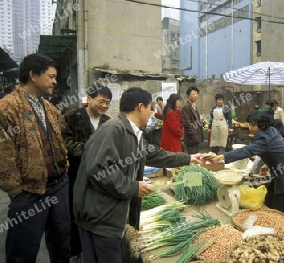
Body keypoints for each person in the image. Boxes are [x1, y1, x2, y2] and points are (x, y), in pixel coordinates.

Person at [73, 87, 204, 263]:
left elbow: (156, 154)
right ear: (140, 107)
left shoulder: (134, 133)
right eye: (150, 108)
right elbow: (99, 171)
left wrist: (190, 158)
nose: (152, 113)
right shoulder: (112, 130)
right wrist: (133, 187)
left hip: (111, 216)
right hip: (100, 219)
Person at [0, 53, 71, 262]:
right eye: (50, 76)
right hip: (29, 192)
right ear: (33, 75)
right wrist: (16, 191)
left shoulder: (50, 109)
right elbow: (3, 154)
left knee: (61, 243)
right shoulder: (7, 107)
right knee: (23, 250)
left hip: (58, 184)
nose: (54, 81)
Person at [206, 111, 284, 218]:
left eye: (253, 125)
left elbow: (247, 150)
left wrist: (221, 157)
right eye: (249, 124)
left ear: (262, 126)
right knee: (279, 208)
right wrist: (267, 165)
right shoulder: (271, 132)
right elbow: (277, 151)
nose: (250, 128)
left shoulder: (264, 139)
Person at [61, 83, 113, 260]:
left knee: (95, 211)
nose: (104, 106)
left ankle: (92, 249)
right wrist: (91, 149)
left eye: (107, 103)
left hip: (99, 177)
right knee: (76, 213)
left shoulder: (107, 122)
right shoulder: (72, 117)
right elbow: (64, 143)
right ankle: (76, 251)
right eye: (101, 101)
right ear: (89, 99)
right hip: (76, 175)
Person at [181, 86, 204, 154]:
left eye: (196, 94)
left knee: (196, 155)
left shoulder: (194, 106)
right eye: (193, 94)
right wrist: (192, 134)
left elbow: (195, 120)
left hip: (196, 136)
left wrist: (201, 122)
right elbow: (187, 123)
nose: (195, 96)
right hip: (191, 138)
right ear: (188, 96)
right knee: (193, 157)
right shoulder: (186, 107)